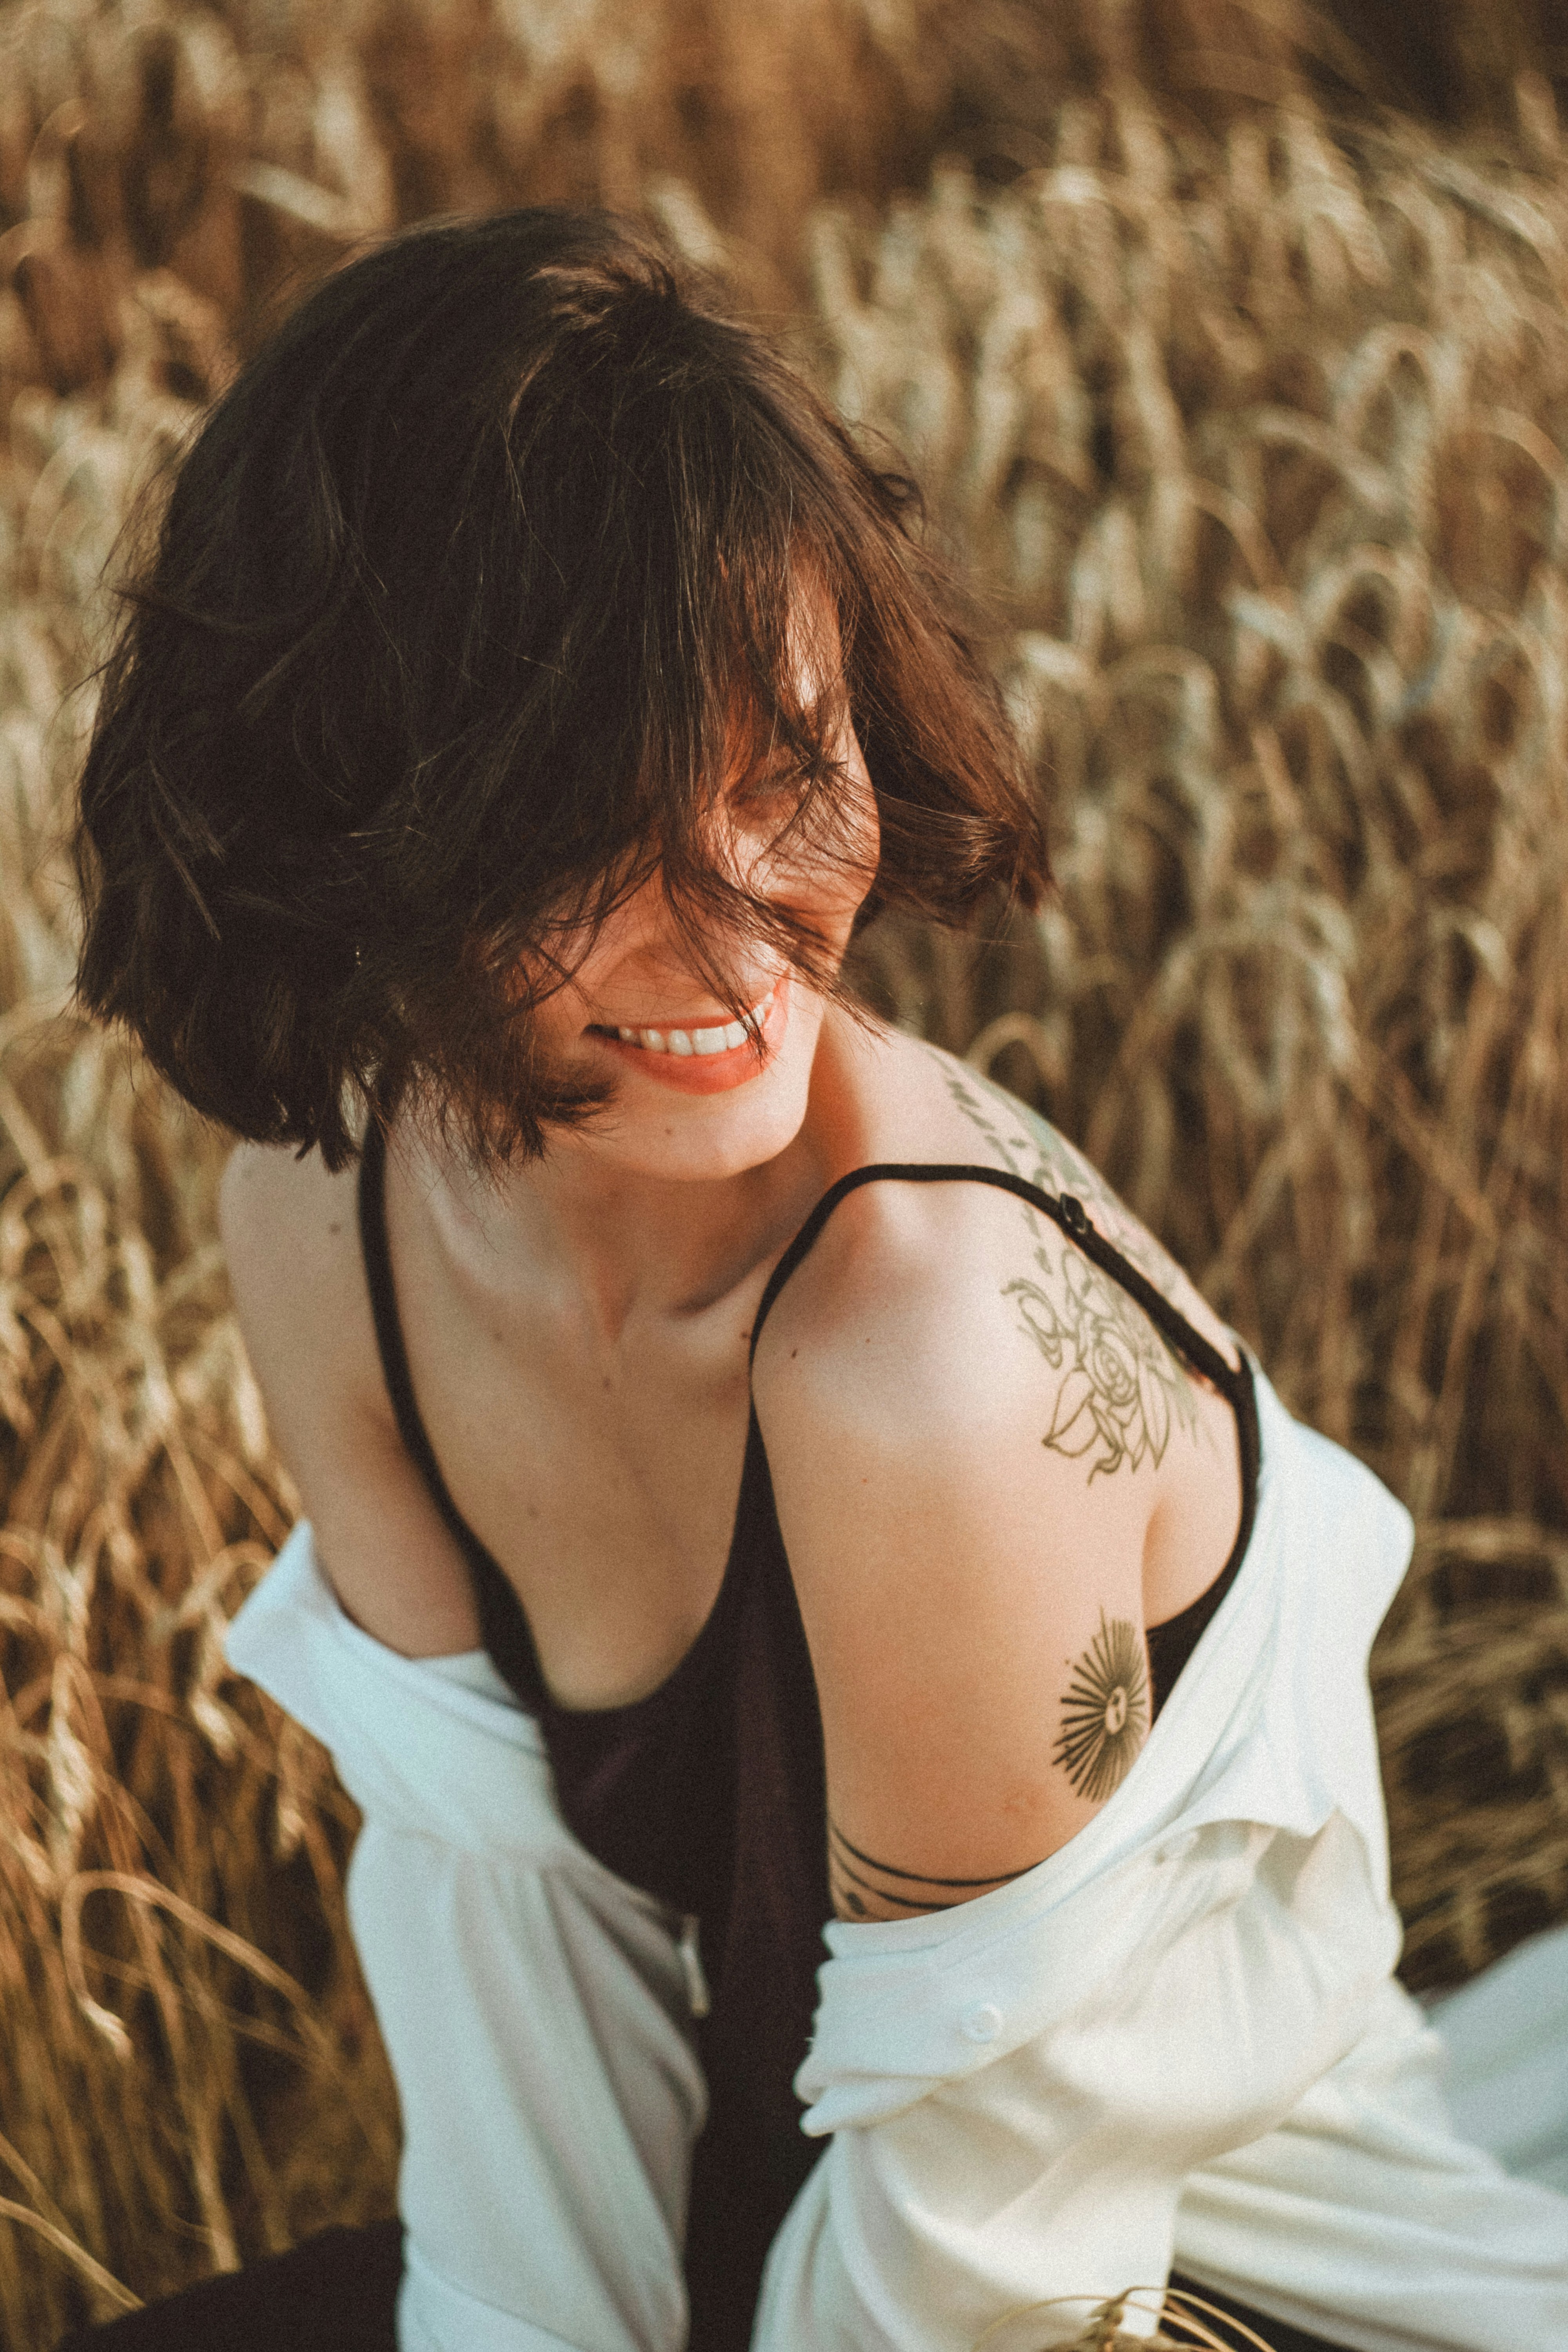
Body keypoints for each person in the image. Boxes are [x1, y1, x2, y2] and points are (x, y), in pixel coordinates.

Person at [63, 209, 1567, 2352]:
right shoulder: (325, 1226)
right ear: (360, 822)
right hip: (769, 2212)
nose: (746, 924)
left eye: (794, 766)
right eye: (586, 838)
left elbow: (993, 2260)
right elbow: (522, 1964)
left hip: (1141, 2282)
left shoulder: (932, 1366)